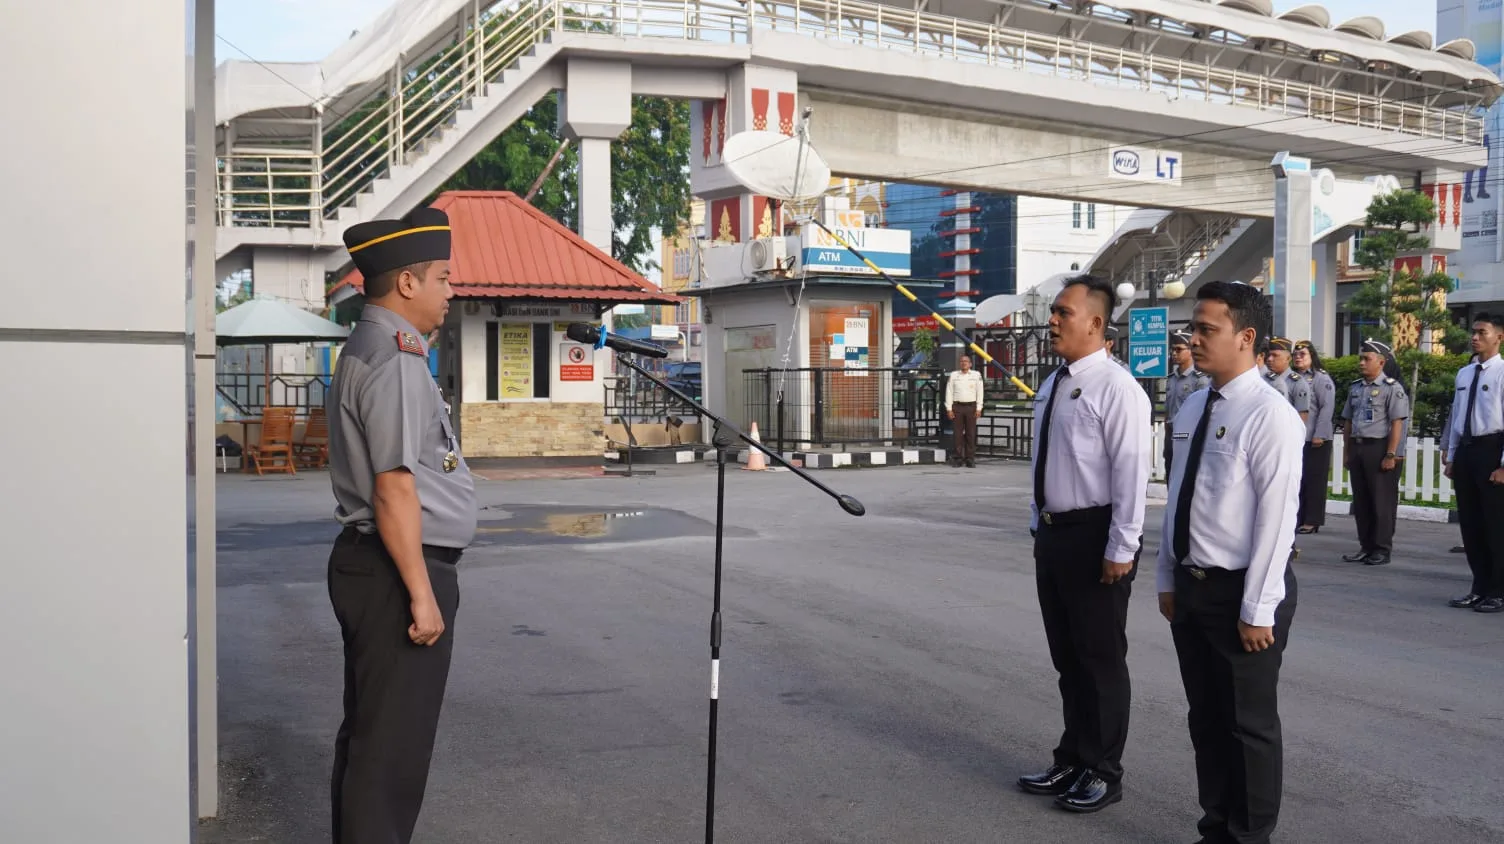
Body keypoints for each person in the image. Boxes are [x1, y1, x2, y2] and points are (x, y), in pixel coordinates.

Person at [325, 206, 477, 843]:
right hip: (396, 570)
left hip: (381, 565)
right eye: (443, 277)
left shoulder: (378, 347)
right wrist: (421, 593)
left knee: (372, 743)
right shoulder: (392, 357)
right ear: (408, 283)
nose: (450, 291)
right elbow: (392, 487)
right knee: (390, 756)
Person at [1158, 280, 1304, 844]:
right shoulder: (1195, 404)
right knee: (1207, 720)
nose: (1193, 339)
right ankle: (1216, 825)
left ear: (1246, 337)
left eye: (1206, 329)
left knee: (1249, 725)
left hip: (1243, 592)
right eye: (1192, 328)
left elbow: (1276, 521)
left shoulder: (1270, 415)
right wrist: (1169, 576)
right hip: (1195, 588)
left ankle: (1250, 835)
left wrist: (1258, 609)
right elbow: (1178, 499)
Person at [1018, 274, 1151, 813]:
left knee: (1099, 659)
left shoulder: (1117, 388)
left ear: (1095, 323)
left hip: (1097, 536)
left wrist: (1122, 546)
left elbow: (1131, 474)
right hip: (1054, 534)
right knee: (1066, 657)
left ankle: (1103, 770)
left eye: (1063, 313)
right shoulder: (1055, 382)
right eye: (1052, 311)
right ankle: (1071, 756)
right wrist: (1036, 521)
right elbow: (1043, 461)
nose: (1052, 320)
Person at [1443, 316, 1504, 613]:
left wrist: (1503, 464)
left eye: (1483, 332)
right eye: (1474, 332)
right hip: (1467, 451)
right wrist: (1453, 455)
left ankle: (1498, 590)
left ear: (1499, 338)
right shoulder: (1465, 373)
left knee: (1495, 525)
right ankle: (1478, 587)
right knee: (1471, 525)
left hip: (1492, 449)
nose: (1475, 337)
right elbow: (1457, 416)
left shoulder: (1503, 373)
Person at [1339, 339, 1409, 567]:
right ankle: (1365, 546)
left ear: (1381, 362)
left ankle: (1381, 548)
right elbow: (1347, 421)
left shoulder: (1392, 388)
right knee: (1362, 501)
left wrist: (1391, 454)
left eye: (1366, 359)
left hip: (1378, 447)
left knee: (1382, 503)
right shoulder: (1356, 387)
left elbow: (1397, 423)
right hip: (1358, 447)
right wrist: (1347, 451)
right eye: (1361, 358)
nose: (1361, 362)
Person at [1292, 341, 1337, 534]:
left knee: (1314, 480)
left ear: (1312, 356)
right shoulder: (1292, 378)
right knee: (1298, 480)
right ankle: (1299, 518)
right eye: (1295, 354)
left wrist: (1319, 434)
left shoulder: (1320, 378)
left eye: (1302, 354)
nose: (1298, 357)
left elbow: (1326, 408)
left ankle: (1312, 520)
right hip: (1297, 437)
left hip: (1315, 437)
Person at [1163, 330, 1211, 478]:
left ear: (1190, 351)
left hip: (1188, 435)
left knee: (1186, 476)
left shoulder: (1199, 379)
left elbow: (1203, 412)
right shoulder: (1171, 379)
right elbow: (1168, 410)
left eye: (1179, 349)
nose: (1174, 353)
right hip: (1171, 433)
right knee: (1170, 471)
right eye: (1172, 349)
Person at [945, 354, 984, 468]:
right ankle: (958, 458)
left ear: (970, 364)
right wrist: (949, 409)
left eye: (966, 361)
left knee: (970, 434)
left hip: (971, 407)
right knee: (957, 434)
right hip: (957, 407)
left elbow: (980, 392)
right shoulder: (954, 375)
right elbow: (949, 392)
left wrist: (979, 408)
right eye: (962, 361)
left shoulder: (976, 375)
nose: (964, 363)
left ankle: (970, 458)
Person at [1262, 338, 1311, 424]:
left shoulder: (1297, 383)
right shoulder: (1263, 378)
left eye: (1275, 355)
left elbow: (1301, 417)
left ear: (1288, 359)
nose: (1269, 359)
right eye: (1269, 355)